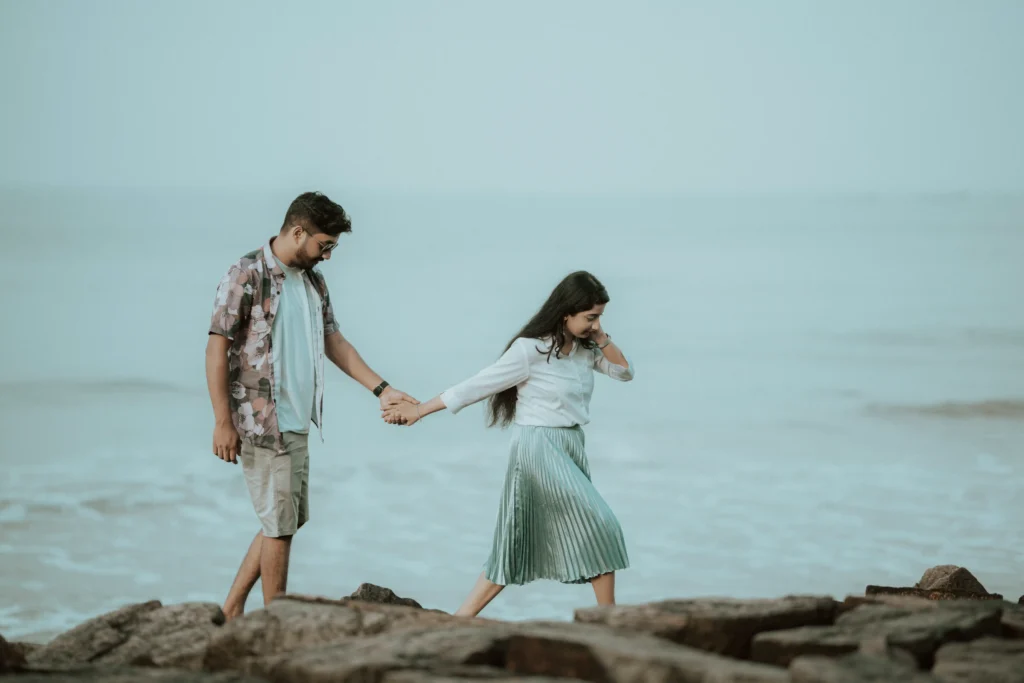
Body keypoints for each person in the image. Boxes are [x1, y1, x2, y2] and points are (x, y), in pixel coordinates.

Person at [206, 191, 417, 620]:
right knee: (280, 527)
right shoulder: (247, 274)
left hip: (297, 419)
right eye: (325, 245)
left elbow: (333, 340)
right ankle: (274, 624)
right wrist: (221, 422)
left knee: (286, 520)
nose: (328, 255)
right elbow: (216, 346)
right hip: (263, 421)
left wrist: (382, 389)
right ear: (298, 232)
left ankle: (232, 610)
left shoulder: (313, 281)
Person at [382, 270, 633, 617]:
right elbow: (478, 385)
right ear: (566, 312)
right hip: (538, 449)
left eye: (599, 316)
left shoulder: (586, 350)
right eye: (590, 317)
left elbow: (624, 372)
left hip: (572, 447)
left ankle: (460, 621)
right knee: (601, 524)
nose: (595, 323)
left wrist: (601, 336)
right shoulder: (530, 350)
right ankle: (610, 618)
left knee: (517, 540)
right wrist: (420, 410)